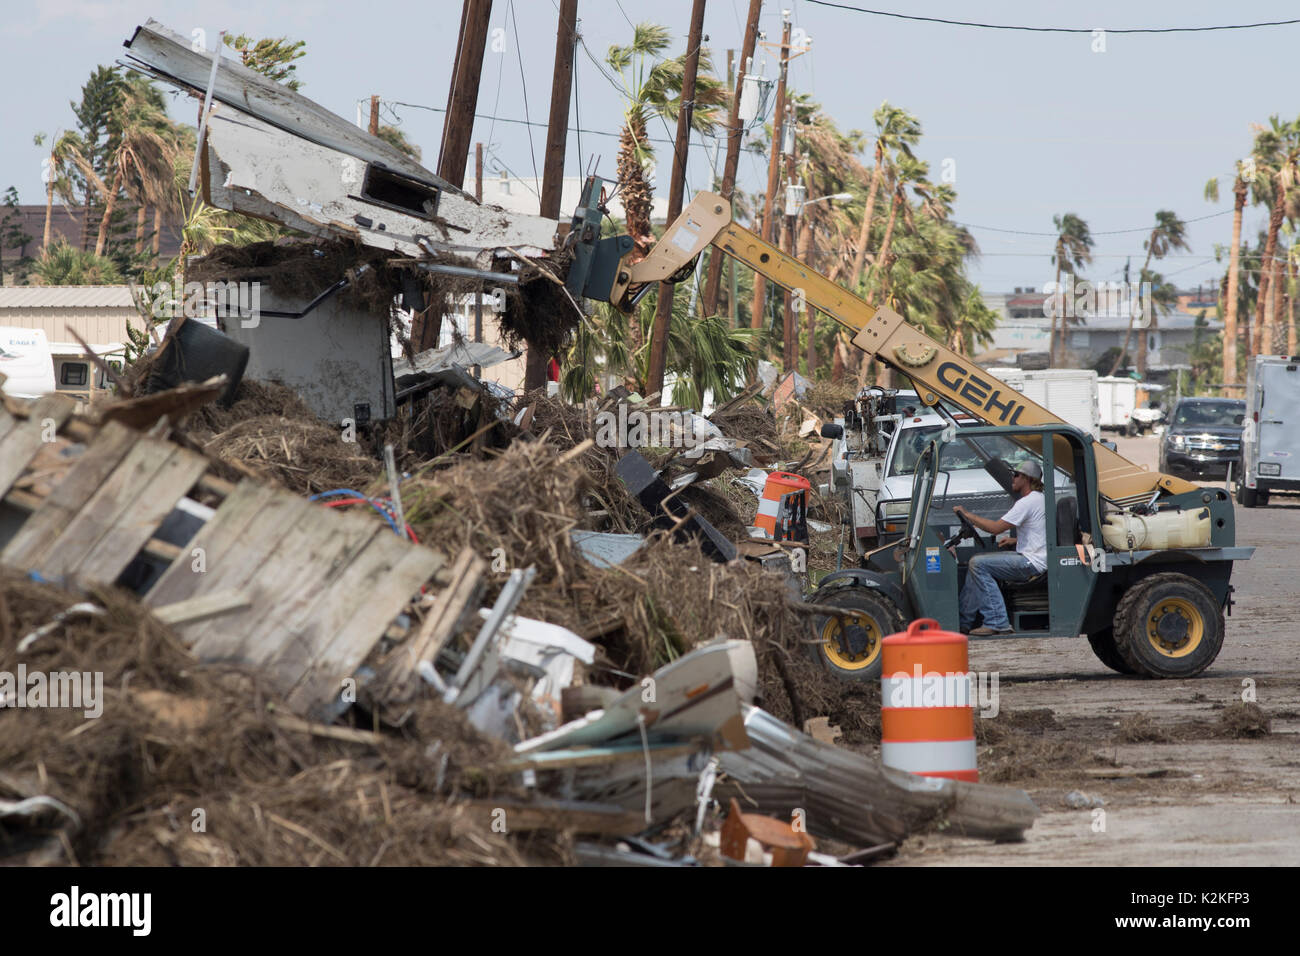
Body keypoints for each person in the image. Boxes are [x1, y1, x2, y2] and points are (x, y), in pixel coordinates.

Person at [953, 460, 1047, 635]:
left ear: (1026, 478)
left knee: (978, 564)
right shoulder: (1038, 500)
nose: (1013, 477)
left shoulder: (1027, 502)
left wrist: (968, 515)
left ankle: (997, 622)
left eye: (1016, 475)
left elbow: (995, 528)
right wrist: (1014, 541)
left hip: (1031, 562)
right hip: (1034, 556)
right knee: (975, 565)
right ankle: (963, 623)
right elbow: (1040, 531)